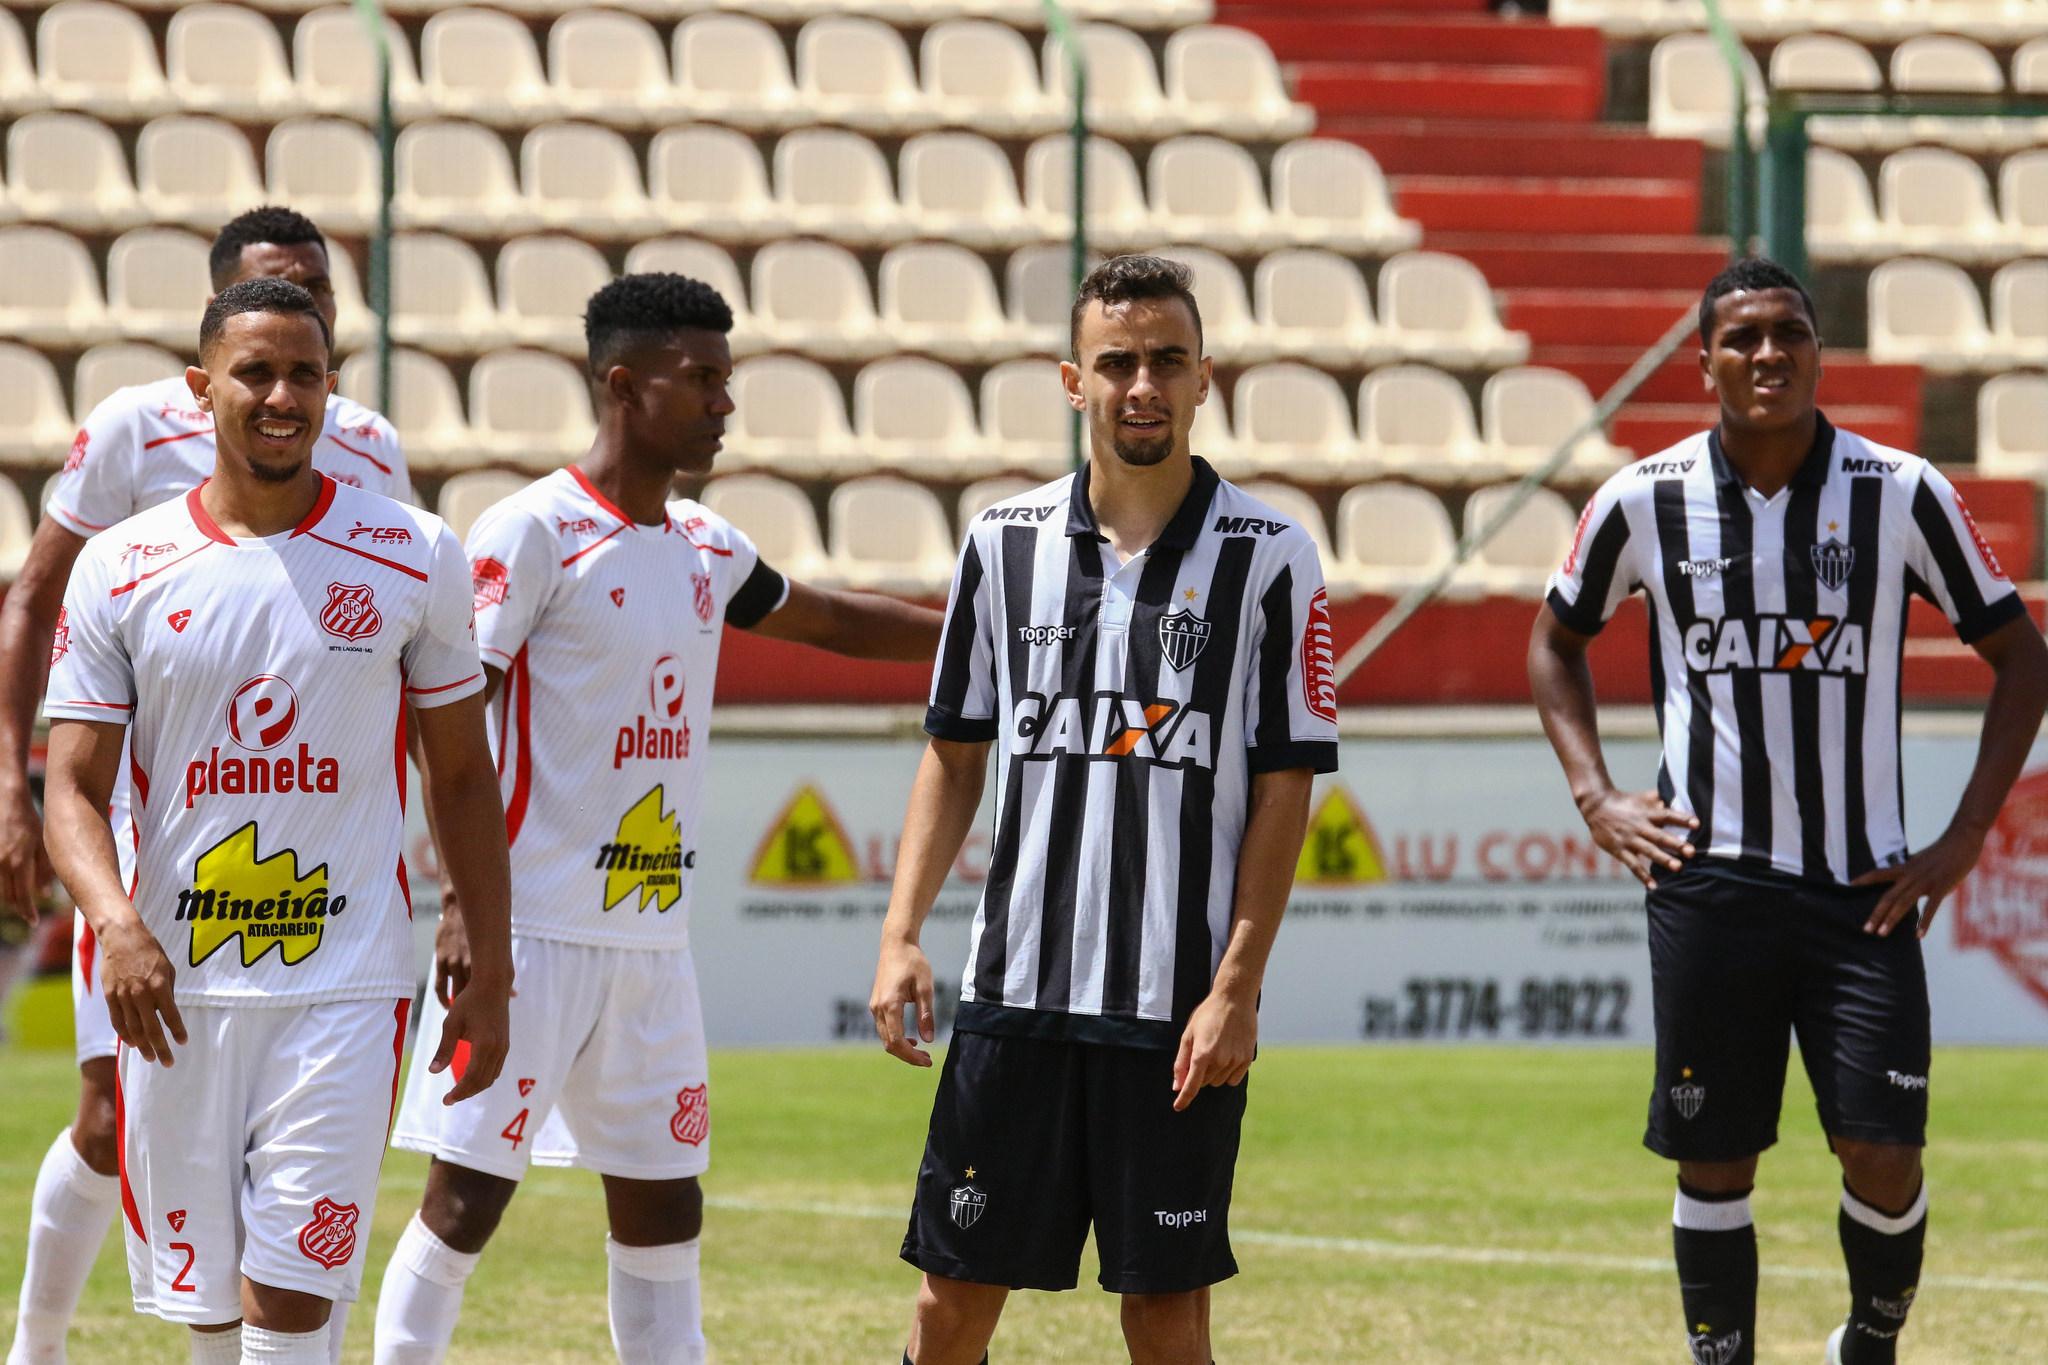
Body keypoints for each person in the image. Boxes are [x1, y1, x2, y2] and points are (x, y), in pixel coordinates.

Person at [374, 272, 945, 1365]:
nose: (723, 404)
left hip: (649, 942)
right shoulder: (531, 533)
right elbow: (449, 737)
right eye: (702, 381)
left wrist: (983, 625)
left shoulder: (701, 545)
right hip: (527, 936)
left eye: (728, 381)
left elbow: (824, 617)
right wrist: (463, 919)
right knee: (462, 1206)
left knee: (664, 1216)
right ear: (623, 386)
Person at [1529, 257, 2048, 1365]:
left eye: (1787, 334)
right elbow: (1554, 640)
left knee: (1879, 1150)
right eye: (1742, 338)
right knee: (1713, 1158)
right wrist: (1594, 794)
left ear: (1814, 349)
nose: (1767, 354)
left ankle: (1867, 1338)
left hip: (1859, 889)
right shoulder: (1640, 496)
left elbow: (2019, 656)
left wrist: (1961, 840)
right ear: (1702, 360)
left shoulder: (1900, 493)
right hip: (1706, 883)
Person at [868, 254, 1338, 1365]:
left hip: (1172, 1015)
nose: (1142, 385)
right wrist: (897, 937)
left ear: (1204, 379)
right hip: (1011, 993)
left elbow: (1285, 790)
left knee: (1164, 1318)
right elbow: (953, 755)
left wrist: (1234, 990)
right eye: (1116, 362)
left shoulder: (1270, 559)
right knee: (946, 1309)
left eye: (1165, 361)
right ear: (1071, 380)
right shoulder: (999, 543)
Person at [39, 277, 512, 1365]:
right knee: (209, 1316)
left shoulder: (415, 554)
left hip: (344, 983)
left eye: (306, 373)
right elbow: (70, 786)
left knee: (292, 1301)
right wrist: (117, 924)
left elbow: (462, 778)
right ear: (202, 388)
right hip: (178, 986)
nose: (282, 395)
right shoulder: (123, 566)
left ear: (334, 392)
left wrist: (491, 958)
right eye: (255, 371)